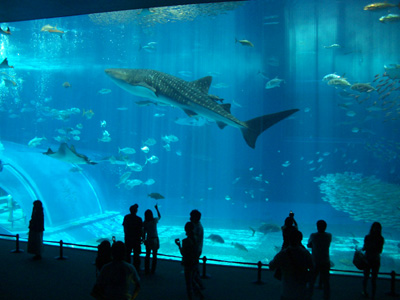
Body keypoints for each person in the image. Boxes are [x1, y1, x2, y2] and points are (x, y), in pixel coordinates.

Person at [270, 230, 313, 300]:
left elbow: (271, 266)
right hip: (301, 290)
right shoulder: (305, 253)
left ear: (288, 239)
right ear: (300, 239)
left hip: (287, 290)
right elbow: (312, 268)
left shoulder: (282, 254)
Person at [175, 222, 204, 300]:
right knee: (193, 280)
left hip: (188, 264)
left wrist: (179, 246)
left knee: (189, 283)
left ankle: (191, 297)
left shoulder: (185, 241)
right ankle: (200, 294)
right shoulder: (196, 238)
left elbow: (183, 253)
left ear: (185, 230)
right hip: (195, 262)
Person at [307, 220, 332, 299]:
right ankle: (326, 297)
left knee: (312, 280)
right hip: (325, 260)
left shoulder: (313, 235)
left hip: (315, 261)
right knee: (326, 281)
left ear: (317, 227)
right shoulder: (329, 235)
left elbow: (309, 245)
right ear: (325, 227)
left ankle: (309, 296)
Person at [362, 222, 384, 299]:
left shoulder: (369, 237)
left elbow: (365, 248)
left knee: (371, 278)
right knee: (368, 278)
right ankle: (367, 292)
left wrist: (369, 247)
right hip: (372, 259)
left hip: (371, 259)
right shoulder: (380, 238)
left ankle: (370, 293)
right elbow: (379, 250)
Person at [122, 204, 143, 272]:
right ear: (136, 211)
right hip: (136, 239)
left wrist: (126, 235)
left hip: (128, 238)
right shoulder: (139, 219)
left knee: (127, 253)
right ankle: (136, 268)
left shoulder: (126, 217)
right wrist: (142, 238)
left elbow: (125, 228)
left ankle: (127, 268)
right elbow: (140, 230)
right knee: (136, 254)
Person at [143, 204, 161, 274]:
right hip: (155, 239)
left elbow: (144, 232)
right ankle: (153, 270)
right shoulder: (154, 220)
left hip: (148, 239)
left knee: (147, 255)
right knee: (154, 255)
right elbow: (159, 216)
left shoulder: (145, 223)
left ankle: (147, 269)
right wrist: (157, 209)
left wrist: (143, 239)